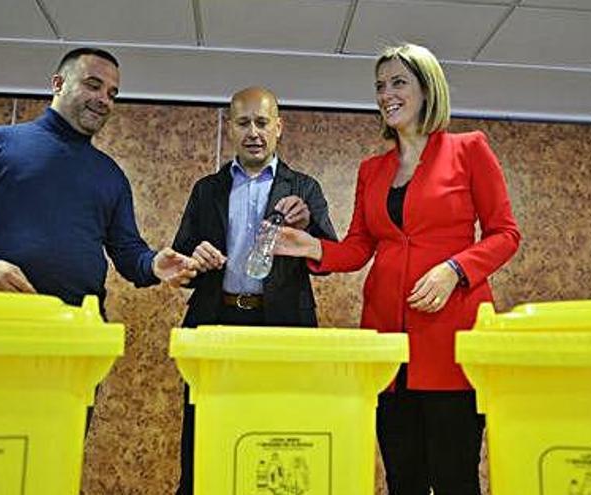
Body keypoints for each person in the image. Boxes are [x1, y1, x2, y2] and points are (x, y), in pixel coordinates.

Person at [273, 44, 521, 495]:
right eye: (380, 86)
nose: (386, 94)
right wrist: (313, 246)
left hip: (451, 340)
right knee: (402, 479)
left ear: (428, 90)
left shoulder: (469, 150)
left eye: (398, 82)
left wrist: (454, 270)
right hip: (387, 344)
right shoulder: (373, 169)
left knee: (454, 478)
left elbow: (505, 233)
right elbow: (359, 246)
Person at [0, 47, 196, 316]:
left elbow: (128, 252)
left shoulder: (111, 175)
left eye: (112, 94)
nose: (104, 100)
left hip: (78, 326)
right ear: (58, 84)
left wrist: (153, 264)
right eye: (93, 85)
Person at [171, 86, 337, 495]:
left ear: (278, 127)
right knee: (206, 432)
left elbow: (328, 258)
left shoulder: (305, 187)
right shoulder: (206, 189)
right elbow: (180, 261)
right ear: (231, 129)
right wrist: (195, 259)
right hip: (216, 321)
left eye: (262, 122)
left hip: (282, 327)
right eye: (244, 123)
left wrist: (305, 231)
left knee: (278, 432)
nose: (254, 132)